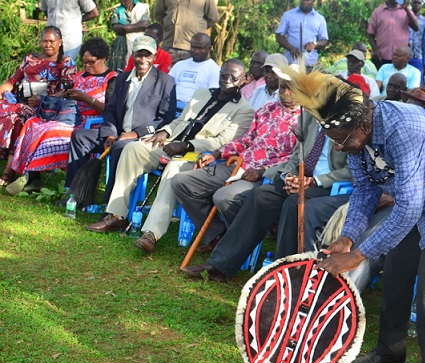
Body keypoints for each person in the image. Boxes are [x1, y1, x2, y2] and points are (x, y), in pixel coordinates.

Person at [274, 66, 425, 363]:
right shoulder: (352, 131)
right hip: (419, 197)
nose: (339, 147)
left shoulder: (404, 127)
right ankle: (391, 350)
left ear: (363, 125)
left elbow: (408, 208)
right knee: (397, 271)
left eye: (342, 140)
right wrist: (349, 237)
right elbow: (366, 188)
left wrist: (359, 255)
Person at [85, 60, 252, 247]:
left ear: (243, 80)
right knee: (132, 149)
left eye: (233, 77)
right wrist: (165, 132)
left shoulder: (245, 110)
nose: (227, 80)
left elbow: (223, 142)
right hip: (172, 142)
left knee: (173, 169)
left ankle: (152, 233)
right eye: (224, 75)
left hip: (198, 155)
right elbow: (180, 121)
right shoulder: (202, 94)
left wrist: (186, 145)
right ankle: (117, 214)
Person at [179, 110, 351, 281]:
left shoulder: (348, 124)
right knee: (261, 195)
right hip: (299, 180)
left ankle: (282, 274)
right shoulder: (310, 118)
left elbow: (350, 171)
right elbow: (296, 156)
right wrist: (288, 177)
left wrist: (314, 181)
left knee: (293, 203)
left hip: (327, 186)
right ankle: (219, 266)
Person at [170, 77, 301, 253]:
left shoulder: (306, 120)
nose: (286, 93)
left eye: (292, 89)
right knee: (182, 181)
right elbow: (246, 140)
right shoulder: (266, 110)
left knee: (224, 197)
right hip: (239, 163)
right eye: (283, 88)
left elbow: (296, 158)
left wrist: (263, 171)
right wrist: (217, 154)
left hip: (263, 175)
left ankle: (236, 245)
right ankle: (217, 233)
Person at [65, 35, 176, 199]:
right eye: (139, 54)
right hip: (117, 133)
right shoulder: (123, 78)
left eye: (147, 55)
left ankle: (110, 202)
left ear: (154, 56)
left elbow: (165, 119)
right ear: (132, 54)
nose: (143, 59)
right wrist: (110, 133)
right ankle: (74, 194)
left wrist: (136, 133)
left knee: (120, 147)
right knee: (80, 137)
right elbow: (110, 110)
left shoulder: (165, 81)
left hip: (142, 138)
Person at [7, 38, 117, 195]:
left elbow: (110, 111)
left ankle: (31, 176)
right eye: (84, 62)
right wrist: (45, 99)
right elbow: (65, 93)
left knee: (47, 130)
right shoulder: (80, 76)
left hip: (91, 124)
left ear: (103, 58)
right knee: (33, 123)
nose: (87, 66)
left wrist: (86, 98)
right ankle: (31, 175)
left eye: (91, 62)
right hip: (70, 118)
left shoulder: (111, 79)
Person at [0, 26, 77, 187]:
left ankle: (9, 171)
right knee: (9, 111)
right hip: (21, 101)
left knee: (19, 117)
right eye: (44, 41)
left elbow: (67, 91)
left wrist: (43, 99)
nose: (47, 45)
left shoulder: (65, 63)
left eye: (51, 41)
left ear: (60, 42)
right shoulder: (30, 59)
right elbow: (13, 80)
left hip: (46, 107)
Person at [153, 0, 219, 65]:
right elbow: (158, 14)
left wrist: (198, 28)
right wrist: (168, 26)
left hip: (193, 48)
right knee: (167, 73)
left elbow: (213, 17)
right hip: (169, 45)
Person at [168, 33, 219, 103]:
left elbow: (212, 95)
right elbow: (167, 86)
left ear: (209, 48)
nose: (196, 51)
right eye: (194, 47)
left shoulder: (214, 69)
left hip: (194, 108)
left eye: (200, 48)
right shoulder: (179, 65)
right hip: (171, 104)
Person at [275, 0, 328, 67]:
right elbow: (279, 35)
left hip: (310, 64)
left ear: (313, 1)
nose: (305, 2)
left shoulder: (320, 19)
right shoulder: (288, 15)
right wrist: (291, 49)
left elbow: (324, 41)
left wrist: (314, 44)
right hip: (290, 63)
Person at [367, 0, 419, 69]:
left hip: (401, 58)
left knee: (399, 78)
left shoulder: (405, 11)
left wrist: (406, 8)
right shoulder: (377, 12)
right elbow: (370, 34)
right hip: (381, 57)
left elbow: (416, 27)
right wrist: (375, 50)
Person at [108, 0, 150, 72]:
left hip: (139, 43)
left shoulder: (143, 7)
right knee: (121, 68)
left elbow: (144, 25)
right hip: (121, 46)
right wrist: (137, 26)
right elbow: (116, 28)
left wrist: (124, 28)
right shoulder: (116, 10)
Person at [408, 0, 425, 79]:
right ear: (411, 4)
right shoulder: (404, 17)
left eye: (419, 3)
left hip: (417, 56)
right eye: (414, 2)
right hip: (405, 55)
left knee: (417, 79)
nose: (416, 5)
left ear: (422, 5)